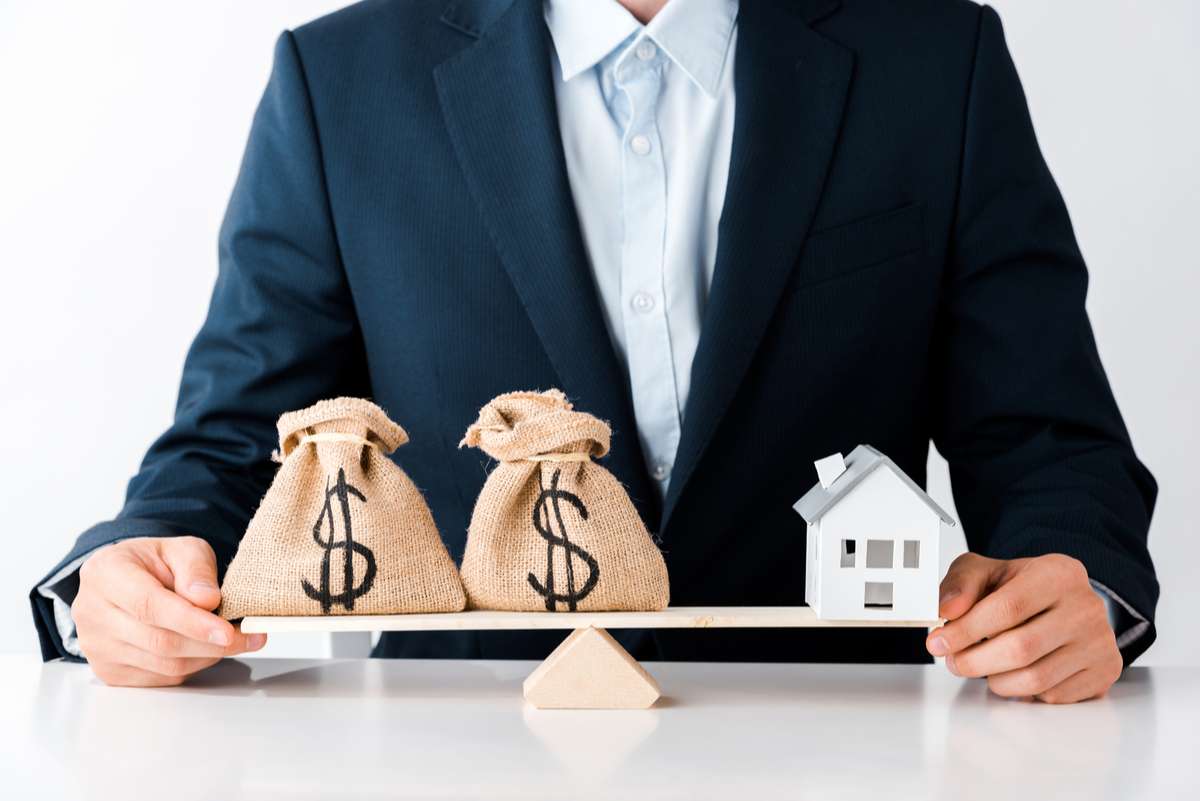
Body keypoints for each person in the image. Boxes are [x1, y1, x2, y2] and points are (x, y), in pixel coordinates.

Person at [31, 0, 1157, 702]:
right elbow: (239, 438)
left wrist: (1083, 588)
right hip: (461, 758)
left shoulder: (936, 58)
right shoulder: (340, 81)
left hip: (840, 745)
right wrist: (131, 566)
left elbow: (1047, 437)